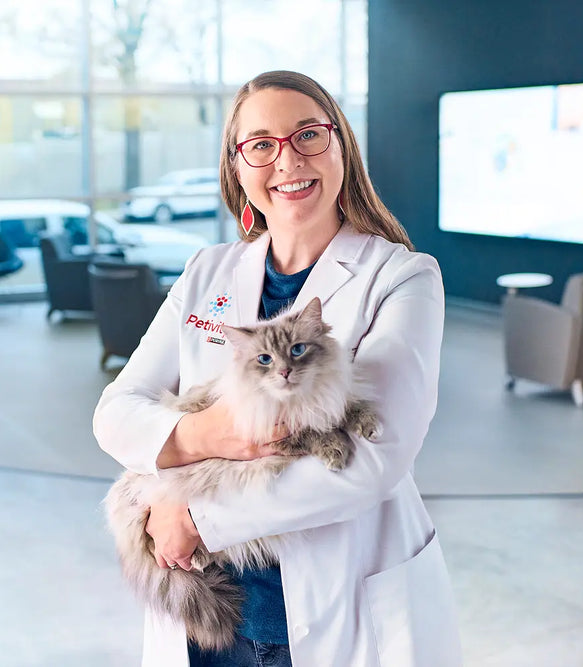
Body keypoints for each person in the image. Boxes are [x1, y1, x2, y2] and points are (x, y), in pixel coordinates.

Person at [93, 70, 462, 667]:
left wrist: (197, 518)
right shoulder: (206, 271)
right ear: (238, 168)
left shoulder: (402, 276)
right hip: (207, 615)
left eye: (308, 135)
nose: (287, 160)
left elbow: (374, 459)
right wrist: (205, 436)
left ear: (341, 146)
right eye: (261, 144)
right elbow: (115, 412)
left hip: (336, 608)